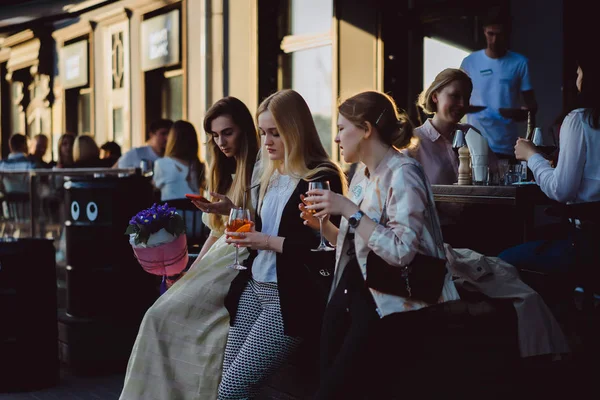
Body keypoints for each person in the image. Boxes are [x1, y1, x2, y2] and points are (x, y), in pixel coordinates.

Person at [302, 91, 460, 399]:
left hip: (387, 306)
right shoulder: (362, 173)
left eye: (341, 128)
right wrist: (324, 227)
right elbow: (357, 246)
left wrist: (348, 209)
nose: (336, 138)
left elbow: (401, 252)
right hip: (350, 297)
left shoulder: (404, 173)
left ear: (365, 129)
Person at [119, 97, 260, 400]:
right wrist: (189, 273)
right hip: (222, 252)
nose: (220, 141)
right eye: (214, 134)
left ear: (245, 130)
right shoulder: (220, 169)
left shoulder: (260, 170)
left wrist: (232, 209)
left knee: (167, 318)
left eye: (227, 132)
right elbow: (214, 231)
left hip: (243, 257)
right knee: (159, 314)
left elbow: (254, 228)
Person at [219, 89, 346, 399]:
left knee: (231, 390)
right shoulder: (270, 174)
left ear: (295, 130)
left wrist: (263, 240)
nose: (267, 142)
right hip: (254, 286)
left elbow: (322, 250)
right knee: (228, 381)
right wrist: (242, 226)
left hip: (289, 297)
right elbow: (266, 225)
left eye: (275, 133)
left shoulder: (320, 176)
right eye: (263, 133)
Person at [500, 56, 600, 277]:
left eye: (579, 73)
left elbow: (561, 190)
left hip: (586, 246)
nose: (576, 79)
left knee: (501, 261)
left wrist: (532, 156)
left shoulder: (579, 120)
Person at [460, 7, 537, 158]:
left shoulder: (519, 62)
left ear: (507, 34)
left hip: (506, 145)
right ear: (484, 31)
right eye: (491, 34)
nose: (494, 40)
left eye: (499, 35)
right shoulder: (469, 62)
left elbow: (532, 107)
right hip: (474, 144)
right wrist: (467, 108)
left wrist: (519, 112)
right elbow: (457, 99)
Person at [153, 120, 206, 201]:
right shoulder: (198, 165)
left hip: (172, 211)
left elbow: (156, 186)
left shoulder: (161, 164)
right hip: (195, 211)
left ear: (172, 139)